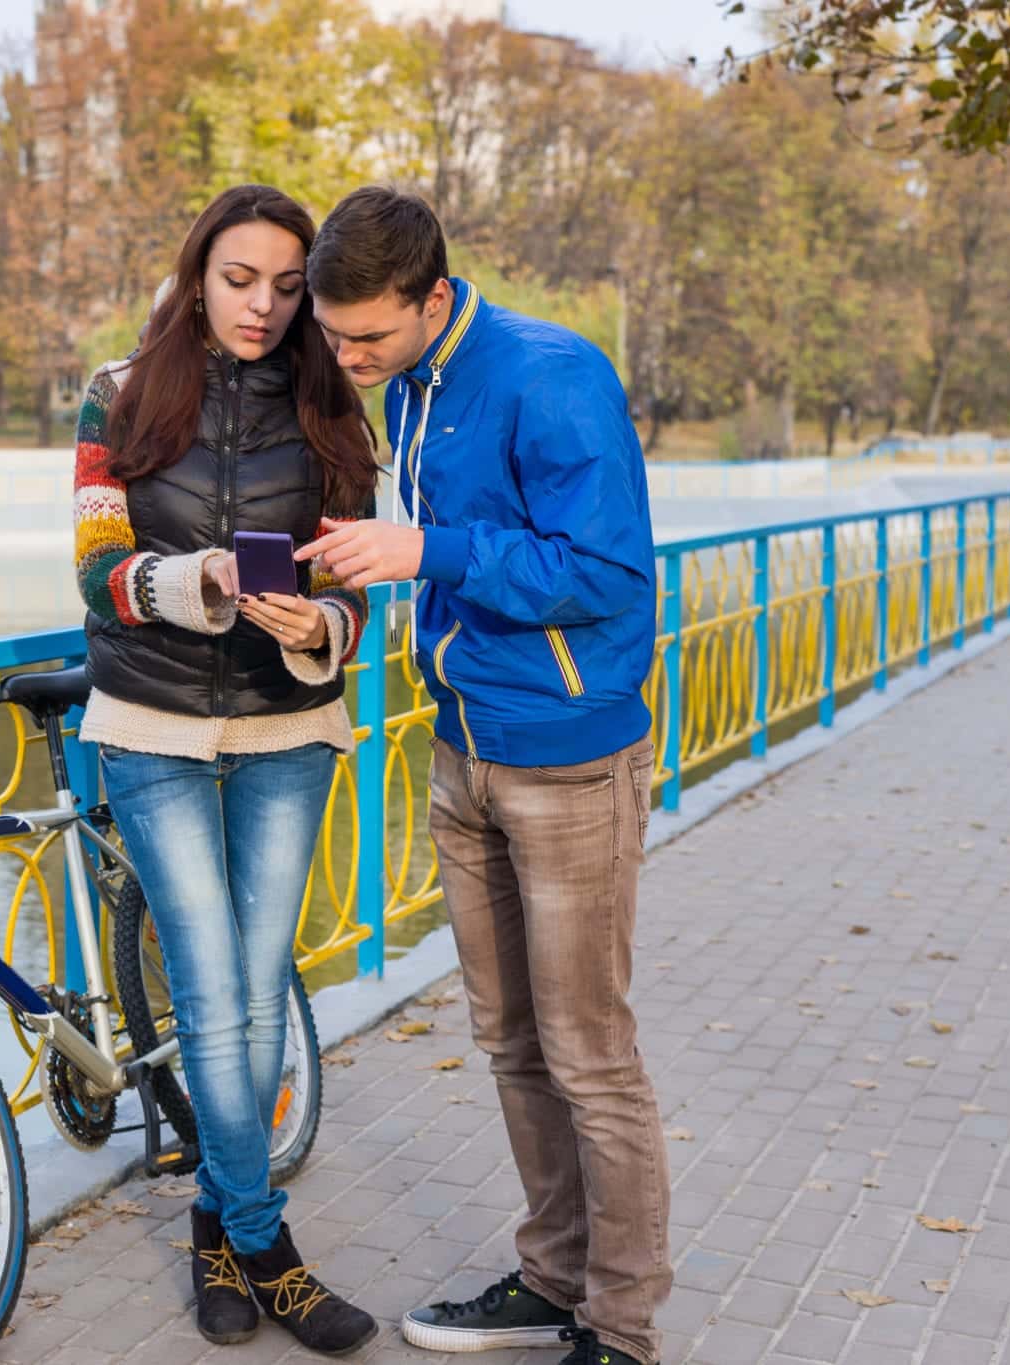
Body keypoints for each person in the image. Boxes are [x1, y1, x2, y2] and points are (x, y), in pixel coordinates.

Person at [299, 186, 670, 1365]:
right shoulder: (411, 383)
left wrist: (426, 551)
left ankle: (618, 1330)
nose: (349, 357)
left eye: (369, 335)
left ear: (435, 298)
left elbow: (606, 568)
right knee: (509, 1041)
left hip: (567, 759)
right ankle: (550, 1279)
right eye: (335, 335)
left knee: (588, 1056)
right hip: (461, 751)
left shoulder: (548, 374)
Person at [73, 183, 380, 1356]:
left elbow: (353, 582)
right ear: (198, 271)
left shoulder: (334, 408)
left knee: (255, 991)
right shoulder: (116, 393)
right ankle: (268, 1251)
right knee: (209, 988)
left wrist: (323, 629)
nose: (261, 305)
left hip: (286, 727)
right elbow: (95, 565)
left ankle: (210, 1226)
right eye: (239, 278)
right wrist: (192, 585)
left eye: (286, 287)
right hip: (147, 722)